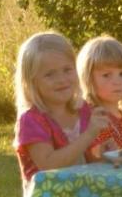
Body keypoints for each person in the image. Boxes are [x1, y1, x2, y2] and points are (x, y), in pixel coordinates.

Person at [12, 32, 112, 183]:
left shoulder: (82, 110)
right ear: (32, 82)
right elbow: (49, 165)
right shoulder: (31, 120)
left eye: (67, 70)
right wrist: (89, 134)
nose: (62, 79)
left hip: (83, 196)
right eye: (50, 74)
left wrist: (105, 153)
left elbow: (87, 158)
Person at [77, 35, 122, 153]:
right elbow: (95, 157)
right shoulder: (90, 117)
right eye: (106, 75)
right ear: (88, 79)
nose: (117, 81)